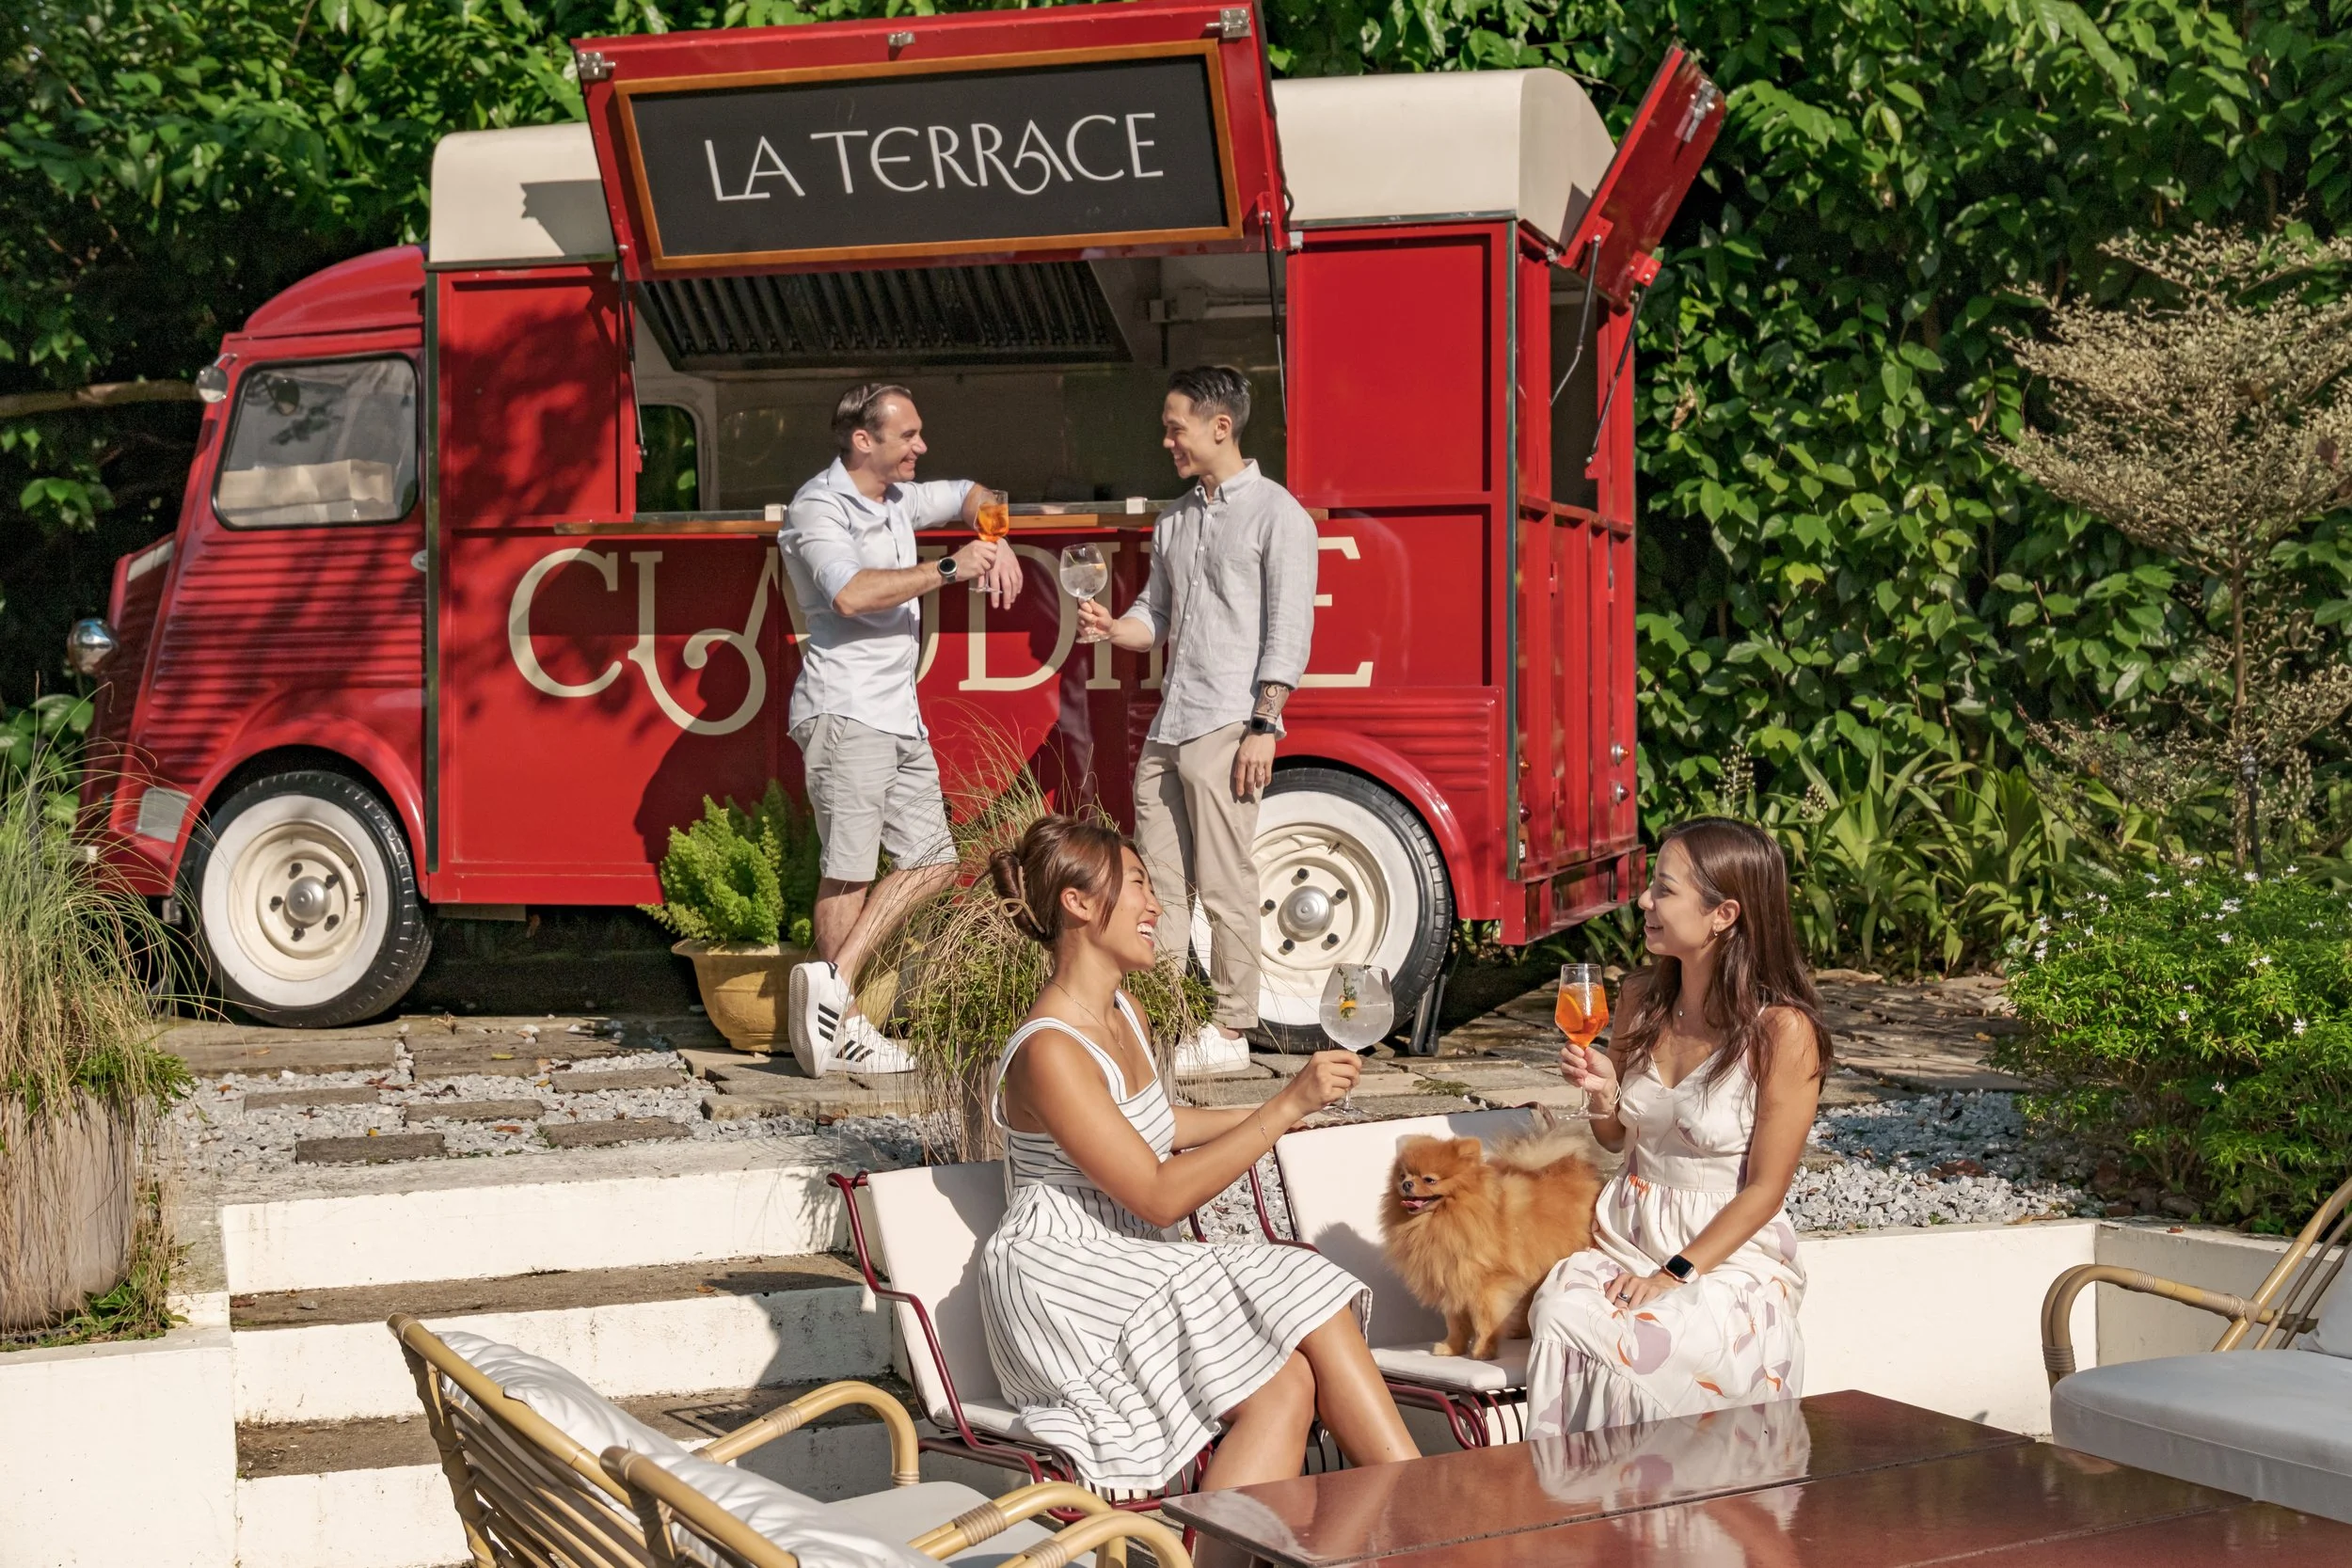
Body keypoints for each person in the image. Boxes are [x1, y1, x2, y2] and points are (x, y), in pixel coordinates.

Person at [980, 814, 1418, 1525]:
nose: (1156, 907)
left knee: (1284, 1383)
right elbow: (1156, 1193)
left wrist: (1301, 1111)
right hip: (1066, 1284)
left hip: (1125, 1262)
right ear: (1080, 903)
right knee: (1299, 1280)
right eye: (1141, 886)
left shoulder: (1122, 1012)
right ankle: (1432, 1516)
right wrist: (1283, 1107)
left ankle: (1386, 1518)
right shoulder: (1049, 1050)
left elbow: (1158, 1124)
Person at [1523, 817, 1832, 1436]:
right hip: (1627, 1236)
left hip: (1725, 1257)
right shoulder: (1642, 996)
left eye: (1664, 889)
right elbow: (1618, 1140)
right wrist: (1604, 1090)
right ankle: (1577, 1500)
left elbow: (1765, 1189)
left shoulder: (1782, 1033)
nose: (1644, 901)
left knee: (1646, 1343)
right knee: (1562, 1309)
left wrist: (1673, 1274)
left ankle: (1668, 1503)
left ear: (1724, 914)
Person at [1077, 366, 1318, 1077]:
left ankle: (1231, 1026)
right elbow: (1155, 617)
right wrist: (1114, 626)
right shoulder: (1176, 518)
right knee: (1155, 882)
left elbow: (1290, 629)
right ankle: (1162, 1015)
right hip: (1172, 719)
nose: (1166, 438)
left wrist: (1263, 725)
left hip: (1228, 720)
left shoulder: (1279, 515)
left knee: (1226, 880)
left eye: (1175, 425)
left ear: (1221, 426)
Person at [778, 383, 1022, 1077]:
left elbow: (980, 491)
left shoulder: (899, 497)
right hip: (846, 708)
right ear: (863, 441)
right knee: (847, 873)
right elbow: (851, 594)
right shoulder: (817, 506)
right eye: (908, 436)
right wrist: (951, 566)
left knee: (935, 863)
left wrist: (993, 536)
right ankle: (844, 1028)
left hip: (896, 713)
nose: (922, 447)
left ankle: (836, 981)